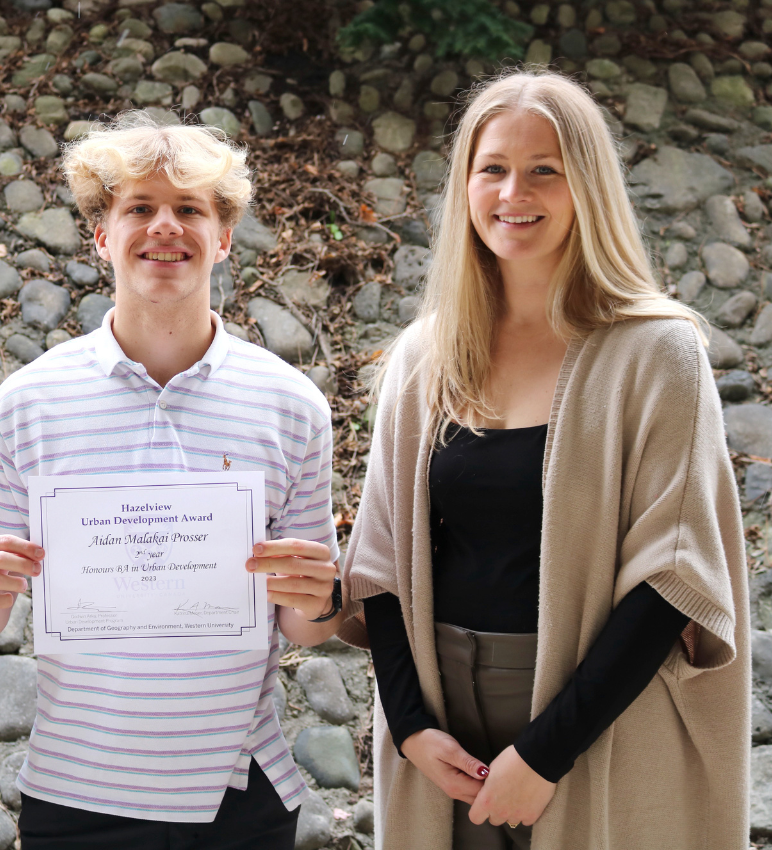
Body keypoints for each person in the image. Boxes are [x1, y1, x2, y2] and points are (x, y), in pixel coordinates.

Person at [338, 70, 750, 850]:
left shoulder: (657, 354)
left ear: (585, 186)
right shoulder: (425, 358)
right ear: (464, 183)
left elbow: (673, 578)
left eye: (544, 170)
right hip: (442, 726)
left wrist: (545, 753)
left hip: (597, 720)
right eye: (491, 168)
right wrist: (411, 730)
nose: (511, 192)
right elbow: (381, 564)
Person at [0, 111, 343, 849]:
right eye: (139, 209)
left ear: (223, 239)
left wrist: (319, 599)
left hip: (239, 795)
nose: (165, 226)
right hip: (78, 791)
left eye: (190, 209)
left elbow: (303, 624)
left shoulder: (293, 408)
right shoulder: (29, 404)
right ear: (102, 236)